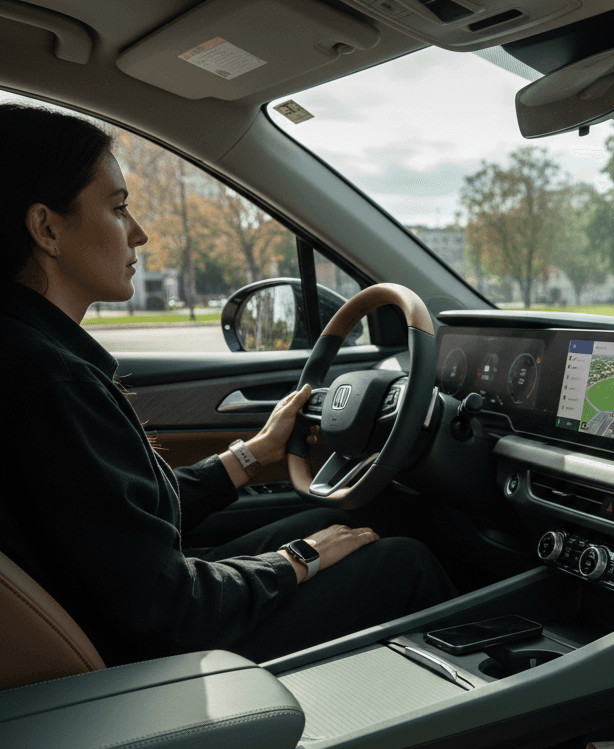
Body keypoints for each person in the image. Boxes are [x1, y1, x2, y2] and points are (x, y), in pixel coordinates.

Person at [0, 104, 456, 667]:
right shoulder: (52, 380)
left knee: (352, 523)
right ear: (46, 228)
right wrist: (298, 560)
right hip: (145, 659)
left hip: (121, 620)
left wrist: (253, 454)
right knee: (403, 565)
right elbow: (169, 607)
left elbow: (124, 518)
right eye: (118, 209)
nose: (139, 232)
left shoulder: (28, 356)